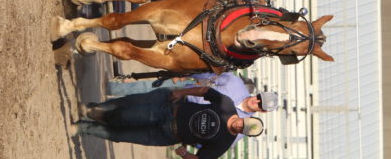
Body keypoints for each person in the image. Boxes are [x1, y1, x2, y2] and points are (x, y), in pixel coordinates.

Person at [71, 86, 264, 159]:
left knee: (120, 135)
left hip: (166, 136)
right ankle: (95, 112)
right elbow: (205, 91)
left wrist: (185, 154)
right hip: (168, 112)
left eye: (243, 130)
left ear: (244, 133)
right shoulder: (226, 105)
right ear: (245, 118)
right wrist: (181, 92)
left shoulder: (224, 143)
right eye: (243, 123)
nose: (239, 126)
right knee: (123, 116)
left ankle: (82, 128)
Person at [105, 72, 278, 145]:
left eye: (260, 104)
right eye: (259, 97)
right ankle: (110, 91)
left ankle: (104, 126)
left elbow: (211, 144)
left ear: (262, 111)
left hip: (179, 124)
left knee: (136, 128)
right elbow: (210, 75)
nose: (256, 101)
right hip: (181, 93)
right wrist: (183, 75)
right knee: (139, 96)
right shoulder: (236, 83)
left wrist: (188, 137)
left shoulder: (240, 129)